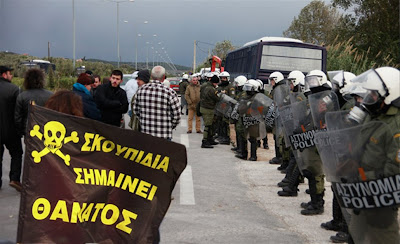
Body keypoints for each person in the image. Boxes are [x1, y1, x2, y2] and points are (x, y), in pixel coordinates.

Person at [133, 66, 181, 140]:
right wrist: (169, 126)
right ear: (164, 77)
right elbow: (177, 115)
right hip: (164, 136)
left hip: (146, 135)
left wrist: (144, 121)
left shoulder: (140, 90)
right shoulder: (170, 92)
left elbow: (136, 110)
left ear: (151, 76)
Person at [0, 65, 23, 192]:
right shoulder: (14, 89)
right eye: (10, 73)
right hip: (11, 130)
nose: (11, 76)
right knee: (16, 154)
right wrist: (20, 129)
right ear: (4, 75)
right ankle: (14, 179)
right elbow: (18, 112)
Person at [15, 68, 53, 137]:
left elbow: (18, 118)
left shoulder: (22, 96)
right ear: (42, 80)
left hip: (29, 130)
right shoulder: (51, 95)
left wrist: (20, 132)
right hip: (47, 131)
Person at [200, 75, 220, 148]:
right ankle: (205, 141)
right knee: (208, 125)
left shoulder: (204, 85)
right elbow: (217, 98)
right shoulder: (211, 89)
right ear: (214, 82)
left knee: (210, 124)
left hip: (203, 106)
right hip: (208, 108)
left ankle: (210, 139)